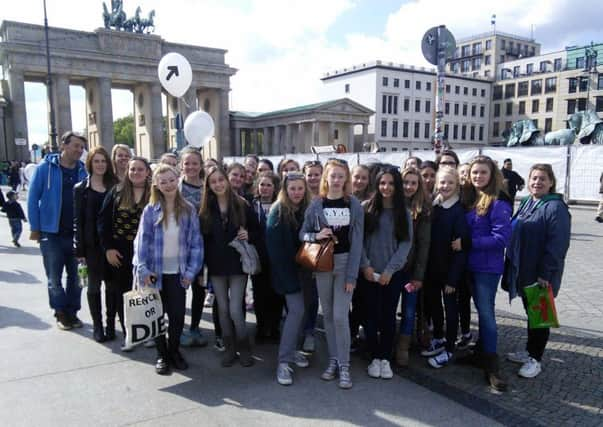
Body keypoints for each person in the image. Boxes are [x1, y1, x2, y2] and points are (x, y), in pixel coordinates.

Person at [300, 159, 364, 389]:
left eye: (341, 176)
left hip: (345, 264)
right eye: (333, 175)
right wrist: (315, 236)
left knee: (339, 316)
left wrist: (352, 277)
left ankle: (345, 366)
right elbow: (302, 234)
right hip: (323, 265)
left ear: (346, 179)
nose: (336, 180)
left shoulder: (353, 204)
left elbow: (357, 243)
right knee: (327, 315)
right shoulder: (316, 204)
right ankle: (334, 360)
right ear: (326, 177)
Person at [134, 164, 203, 375]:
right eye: (163, 181)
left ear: (178, 179)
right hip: (155, 273)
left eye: (171, 180)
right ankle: (162, 355)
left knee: (177, 316)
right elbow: (141, 242)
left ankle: (174, 351)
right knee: (156, 317)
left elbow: (196, 244)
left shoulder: (189, 209)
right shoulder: (150, 210)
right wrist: (143, 269)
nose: (168, 185)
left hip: (178, 273)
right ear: (156, 184)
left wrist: (191, 272)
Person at [503, 164, 571, 378]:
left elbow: (557, 245)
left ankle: (536, 359)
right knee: (531, 313)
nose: (537, 182)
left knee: (540, 315)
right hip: (524, 269)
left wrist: (546, 274)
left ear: (551, 182)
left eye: (542, 178)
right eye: (533, 178)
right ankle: (529, 351)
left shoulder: (555, 207)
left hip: (541, 273)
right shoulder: (527, 202)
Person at [461, 155, 512, 391]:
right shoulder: (471, 197)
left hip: (487, 268)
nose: (478, 176)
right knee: (480, 311)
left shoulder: (498, 201)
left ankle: (492, 363)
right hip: (470, 265)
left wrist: (470, 242)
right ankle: (481, 351)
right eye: (475, 172)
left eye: (483, 172)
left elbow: (501, 238)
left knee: (486, 313)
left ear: (492, 175)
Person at [28, 131, 88, 330]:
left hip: (76, 234)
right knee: (54, 277)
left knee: (77, 277)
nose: (79, 150)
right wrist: (36, 228)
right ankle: (60, 312)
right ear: (64, 145)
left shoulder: (83, 170)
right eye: (76, 146)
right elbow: (32, 199)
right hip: (51, 233)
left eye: (81, 147)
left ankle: (72, 312)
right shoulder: (45, 168)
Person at [200, 166, 259, 367]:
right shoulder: (206, 208)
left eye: (220, 180)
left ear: (226, 180)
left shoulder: (242, 204)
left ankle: (244, 347)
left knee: (235, 309)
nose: (218, 184)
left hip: (237, 265)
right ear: (208, 185)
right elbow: (202, 240)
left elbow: (257, 230)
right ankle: (229, 347)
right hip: (216, 266)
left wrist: (249, 235)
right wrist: (202, 270)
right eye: (213, 181)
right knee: (223, 309)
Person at [360, 168, 412, 379]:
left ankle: (385, 358)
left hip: (392, 275)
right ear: (377, 184)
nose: (386, 187)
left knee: (388, 316)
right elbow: (359, 242)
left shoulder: (403, 212)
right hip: (369, 273)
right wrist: (366, 266)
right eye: (382, 183)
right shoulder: (367, 208)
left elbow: (405, 244)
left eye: (391, 183)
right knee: (371, 315)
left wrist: (390, 271)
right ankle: (373, 356)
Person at [265, 172, 312, 385]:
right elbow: (276, 252)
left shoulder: (305, 208)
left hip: (304, 271)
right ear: (285, 189)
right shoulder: (278, 211)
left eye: (300, 188)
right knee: (296, 312)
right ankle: (283, 362)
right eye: (292, 188)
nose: (297, 192)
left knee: (301, 312)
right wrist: (290, 278)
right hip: (286, 272)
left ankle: (292, 351)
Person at [99, 157, 151, 344]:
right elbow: (103, 223)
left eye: (140, 169)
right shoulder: (116, 192)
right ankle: (128, 330)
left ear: (147, 172)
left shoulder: (154, 193)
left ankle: (147, 331)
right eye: (132, 169)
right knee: (123, 292)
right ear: (127, 171)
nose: (136, 173)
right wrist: (108, 249)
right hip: (120, 251)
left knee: (147, 292)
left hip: (147, 253)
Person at [422, 167, 468, 369]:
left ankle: (449, 348)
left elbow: (460, 250)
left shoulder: (458, 211)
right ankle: (439, 337)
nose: (445, 186)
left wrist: (453, 279)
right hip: (432, 270)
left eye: (450, 183)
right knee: (434, 306)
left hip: (450, 273)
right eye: (442, 182)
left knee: (451, 311)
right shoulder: (434, 206)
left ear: (457, 184)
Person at [74, 146, 118, 342]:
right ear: (90, 163)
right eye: (96, 161)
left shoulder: (115, 186)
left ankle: (110, 324)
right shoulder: (80, 189)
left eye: (103, 161)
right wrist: (79, 250)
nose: (100, 165)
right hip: (91, 246)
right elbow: (78, 220)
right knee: (93, 287)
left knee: (111, 287)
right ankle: (97, 326)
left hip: (112, 245)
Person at [396, 167, 431, 366]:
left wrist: (418, 275)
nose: (409, 186)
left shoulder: (423, 209)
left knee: (409, 310)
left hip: (411, 271)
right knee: (389, 306)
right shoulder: (393, 205)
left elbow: (424, 245)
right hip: (393, 269)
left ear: (419, 186)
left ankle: (403, 347)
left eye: (413, 183)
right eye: (405, 182)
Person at [177, 147, 209, 348]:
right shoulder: (175, 186)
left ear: (201, 165)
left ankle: (195, 327)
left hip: (203, 246)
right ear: (181, 165)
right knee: (178, 289)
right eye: (187, 163)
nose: (191, 167)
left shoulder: (208, 189)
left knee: (200, 288)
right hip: (179, 246)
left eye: (195, 163)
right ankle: (177, 328)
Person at [250, 171, 283, 342]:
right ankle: (261, 327)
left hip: (277, 259)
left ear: (275, 187)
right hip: (258, 257)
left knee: (276, 294)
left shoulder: (281, 205)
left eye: (269, 185)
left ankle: (275, 328)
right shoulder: (251, 205)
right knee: (259, 295)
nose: (265, 188)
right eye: (262, 184)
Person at [300, 160, 323, 352]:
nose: (313, 177)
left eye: (317, 174)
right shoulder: (300, 196)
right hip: (307, 254)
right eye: (310, 174)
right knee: (309, 296)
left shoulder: (328, 197)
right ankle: (308, 332)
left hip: (328, 253)